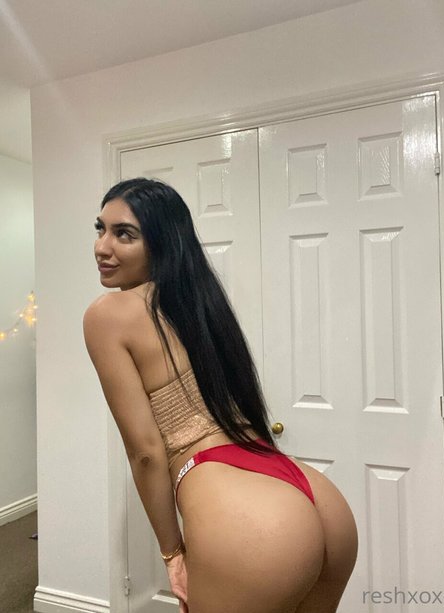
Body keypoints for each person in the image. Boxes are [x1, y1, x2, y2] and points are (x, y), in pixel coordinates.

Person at [83, 177, 358, 613]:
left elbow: (146, 452)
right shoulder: (199, 303)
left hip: (251, 519)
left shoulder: (108, 314)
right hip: (315, 496)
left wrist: (172, 553)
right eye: (101, 229)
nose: (102, 247)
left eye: (124, 234)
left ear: (161, 243)